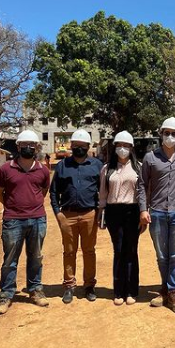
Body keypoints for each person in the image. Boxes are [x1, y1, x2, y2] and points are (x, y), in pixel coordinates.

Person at [0, 130, 50, 315]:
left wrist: (31, 206)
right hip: (13, 221)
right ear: (17, 146)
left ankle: (35, 290)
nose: (28, 147)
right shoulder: (6, 169)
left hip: (37, 219)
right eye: (24, 144)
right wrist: (12, 205)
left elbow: (43, 191)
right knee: (10, 259)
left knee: (36, 257)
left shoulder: (42, 170)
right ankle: (6, 294)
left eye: (32, 145)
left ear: (37, 147)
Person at [137, 117, 175, 314]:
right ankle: (165, 289)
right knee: (162, 256)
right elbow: (142, 185)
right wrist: (143, 209)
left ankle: (173, 292)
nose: (170, 136)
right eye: (166, 133)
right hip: (157, 212)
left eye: (174, 133)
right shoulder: (150, 158)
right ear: (161, 135)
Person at [50, 129, 103, 304]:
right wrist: (58, 212)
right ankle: (69, 286)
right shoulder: (63, 165)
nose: (79, 148)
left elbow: (102, 191)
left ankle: (89, 286)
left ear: (88, 146)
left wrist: (99, 211)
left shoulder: (97, 165)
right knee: (69, 252)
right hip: (68, 215)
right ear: (71, 146)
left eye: (83, 146)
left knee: (89, 252)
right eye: (76, 145)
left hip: (89, 214)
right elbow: (54, 191)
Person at [98, 131, 142, 306]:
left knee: (131, 250)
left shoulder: (139, 167)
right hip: (113, 211)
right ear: (114, 147)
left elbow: (144, 192)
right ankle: (118, 291)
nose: (122, 149)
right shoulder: (107, 168)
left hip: (133, 210)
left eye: (126, 146)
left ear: (131, 148)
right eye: (119, 145)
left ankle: (131, 291)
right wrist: (101, 212)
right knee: (118, 250)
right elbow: (103, 192)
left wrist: (144, 213)